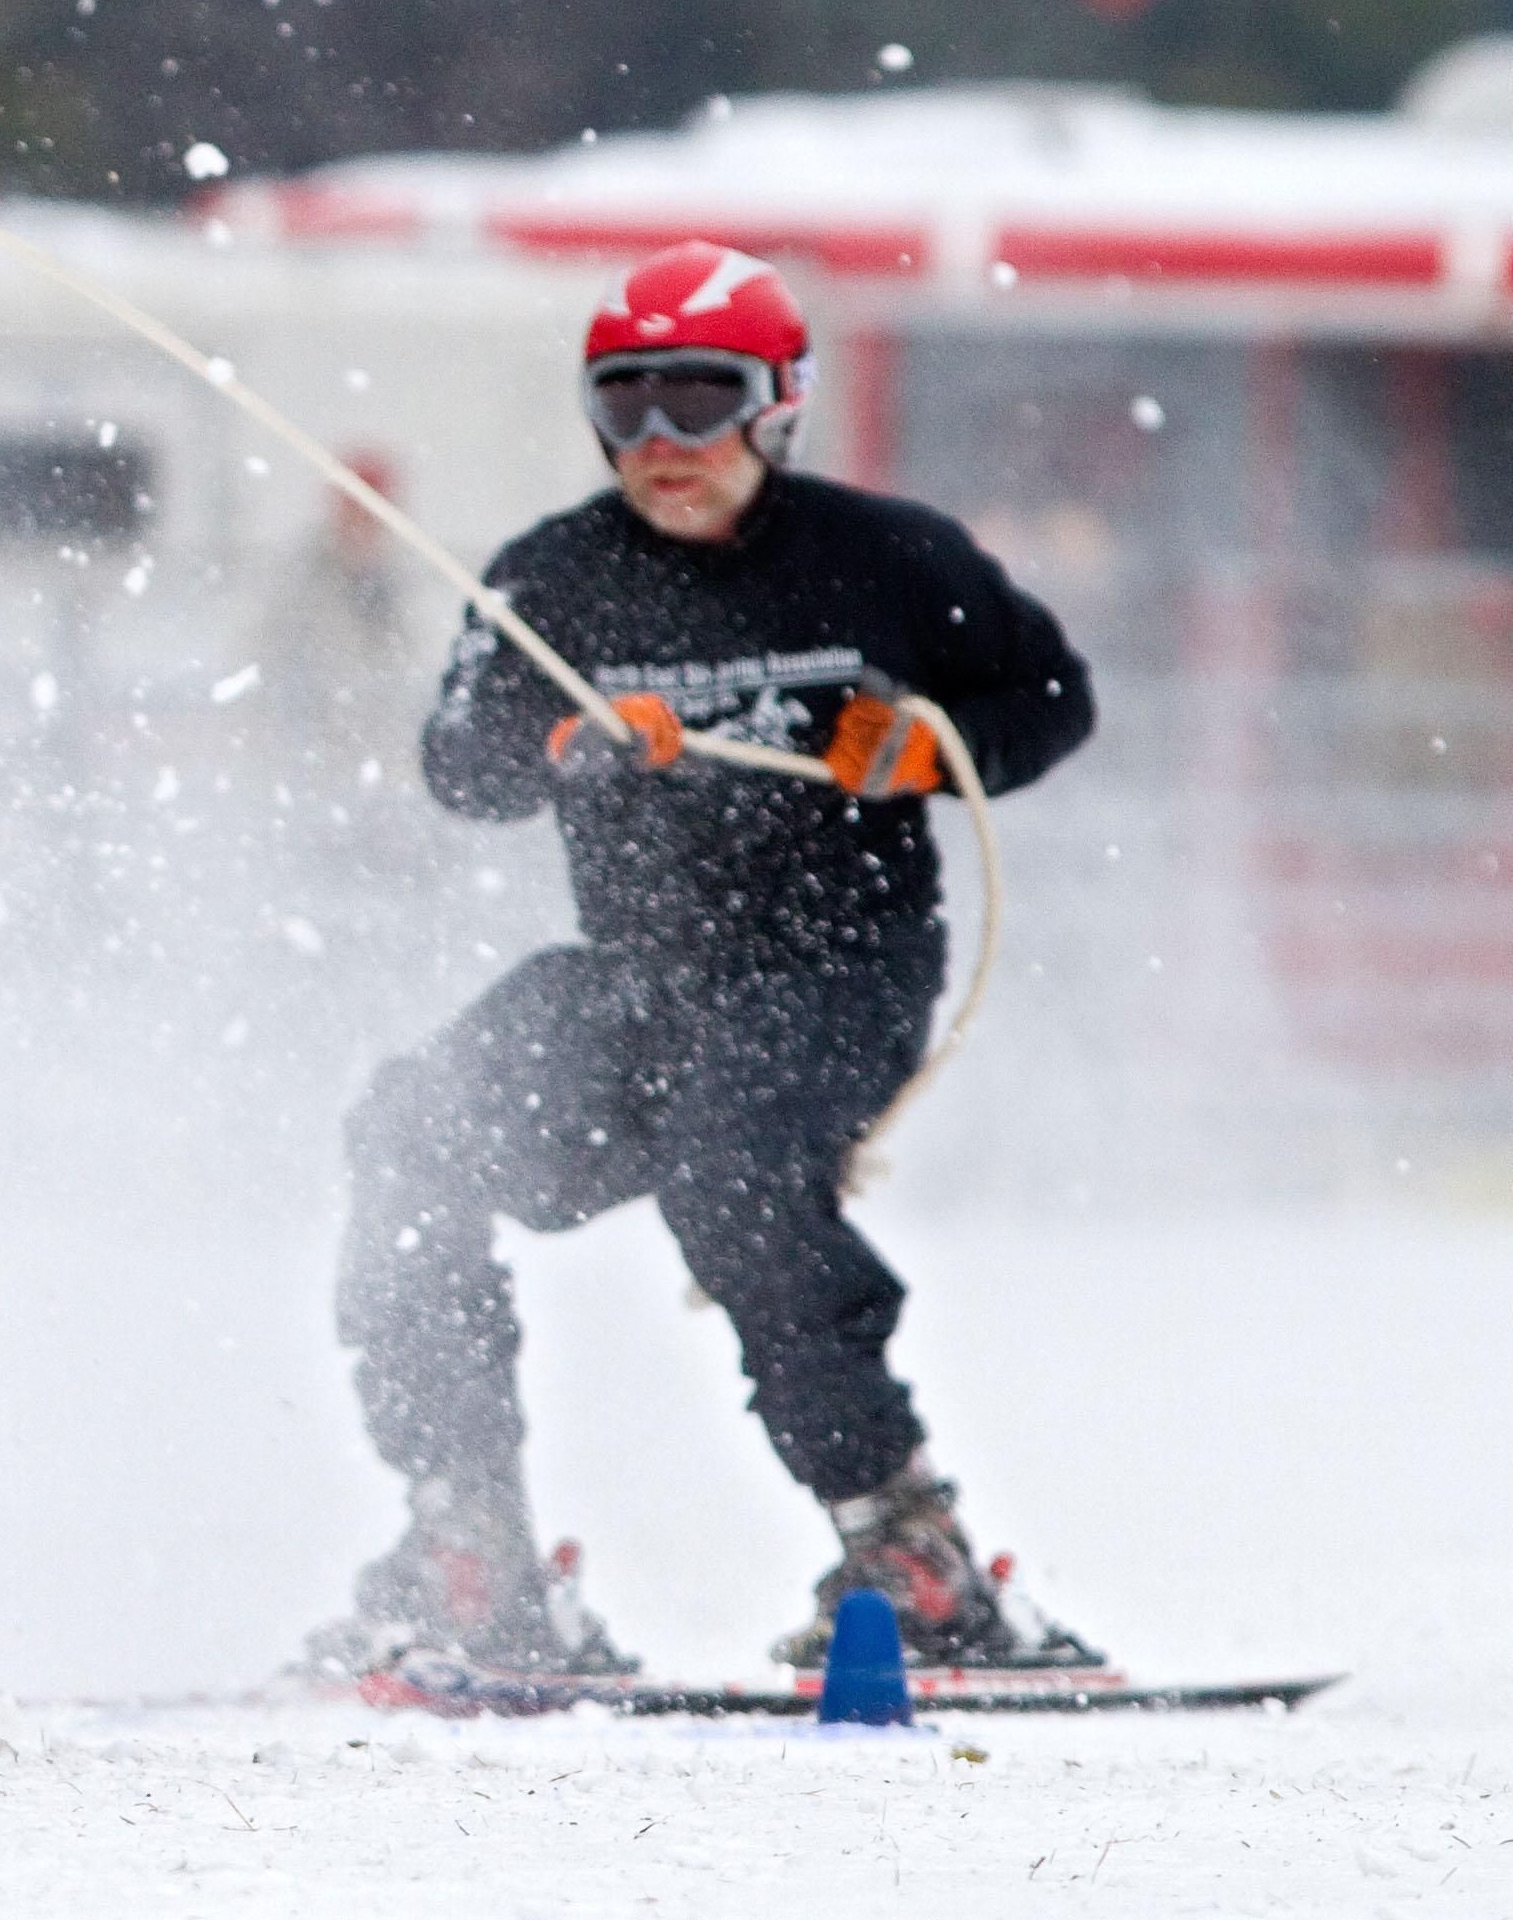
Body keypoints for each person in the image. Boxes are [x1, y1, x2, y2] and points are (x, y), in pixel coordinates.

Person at [309, 240, 1099, 1679]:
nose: (664, 444)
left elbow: (1049, 696)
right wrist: (558, 741)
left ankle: (903, 1548)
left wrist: (935, 743)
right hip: (635, 981)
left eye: (701, 398)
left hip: (833, 969)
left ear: (779, 404)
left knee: (729, 1173)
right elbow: (459, 765)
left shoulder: (888, 556)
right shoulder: (549, 577)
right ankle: (466, 1543)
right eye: (626, 404)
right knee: (407, 1136)